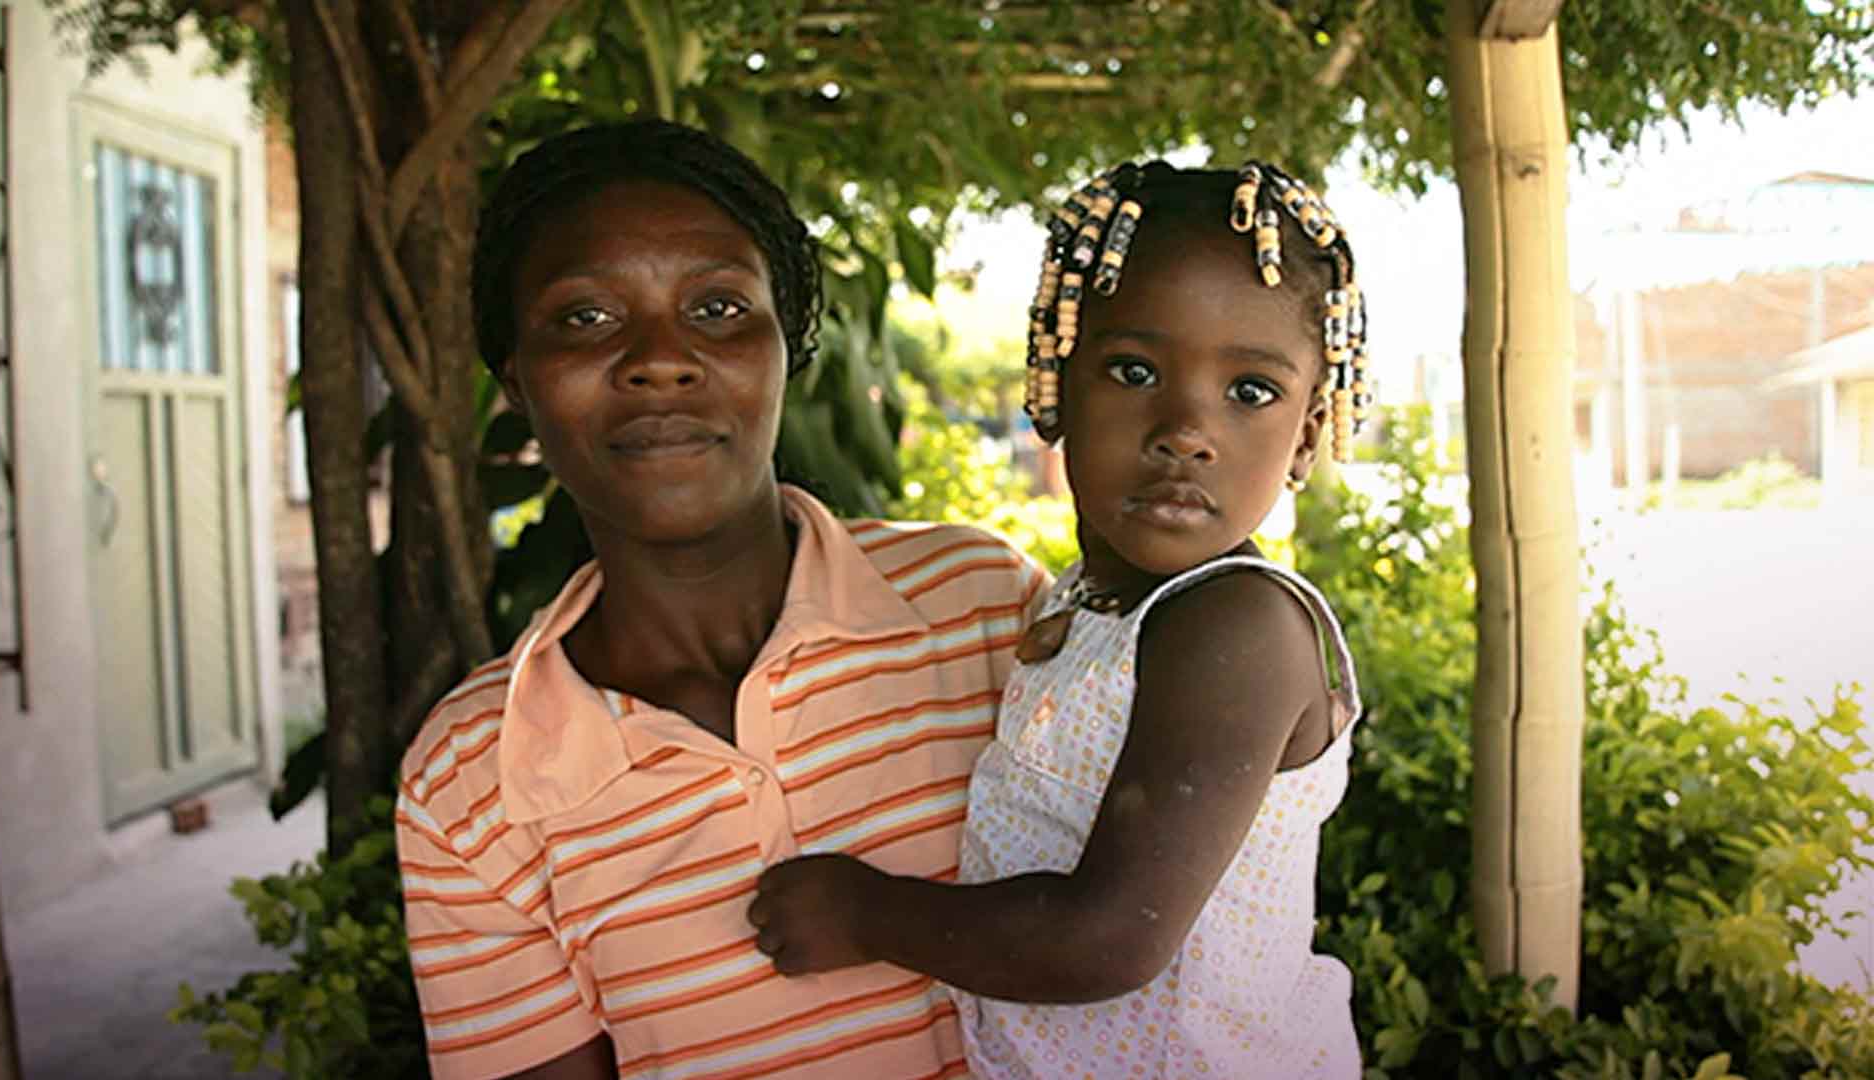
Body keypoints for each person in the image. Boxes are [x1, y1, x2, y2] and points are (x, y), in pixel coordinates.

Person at [395, 120, 1049, 1080]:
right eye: (584, 317)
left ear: (790, 349)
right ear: (517, 387)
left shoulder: (983, 610)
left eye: (717, 307)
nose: (660, 358)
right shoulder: (468, 779)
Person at [747, 159, 1370, 1078]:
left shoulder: (1235, 629)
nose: (1186, 428)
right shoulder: (1086, 602)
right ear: (1054, 384)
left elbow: (1108, 939)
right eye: (1133, 369)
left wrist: (864, 914)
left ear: (1308, 434)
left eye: (1250, 392)